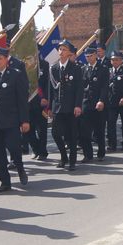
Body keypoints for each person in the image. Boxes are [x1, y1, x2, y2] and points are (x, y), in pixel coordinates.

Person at [0, 45, 30, 193]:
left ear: (6, 59)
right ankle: (5, 181)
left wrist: (24, 120)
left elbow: (22, 100)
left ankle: (20, 168)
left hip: (11, 120)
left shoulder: (15, 75)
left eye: (0, 59)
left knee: (14, 148)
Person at [50, 40, 83, 170]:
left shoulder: (75, 68)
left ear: (69, 52)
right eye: (60, 49)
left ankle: (72, 161)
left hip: (71, 107)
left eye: (64, 49)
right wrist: (50, 107)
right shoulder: (54, 68)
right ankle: (64, 157)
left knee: (71, 135)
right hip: (57, 107)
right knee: (55, 133)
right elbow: (51, 89)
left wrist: (78, 105)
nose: (61, 51)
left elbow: (79, 89)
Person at [80, 45, 109, 162]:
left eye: (90, 56)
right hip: (86, 104)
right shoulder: (84, 69)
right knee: (85, 131)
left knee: (99, 131)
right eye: (86, 56)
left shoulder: (103, 69)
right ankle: (88, 154)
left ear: (96, 55)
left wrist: (101, 100)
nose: (88, 58)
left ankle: (101, 152)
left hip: (98, 104)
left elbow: (105, 87)